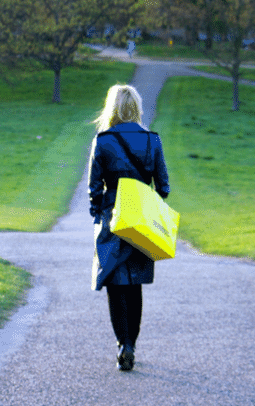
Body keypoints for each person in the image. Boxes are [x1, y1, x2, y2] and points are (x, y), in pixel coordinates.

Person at [88, 84, 170, 371]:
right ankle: (131, 344)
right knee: (135, 285)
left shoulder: (103, 141)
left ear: (112, 108)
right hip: (142, 220)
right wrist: (146, 205)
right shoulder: (152, 141)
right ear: (135, 107)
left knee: (114, 284)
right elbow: (164, 187)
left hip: (112, 219)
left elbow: (94, 190)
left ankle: (122, 343)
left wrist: (98, 215)